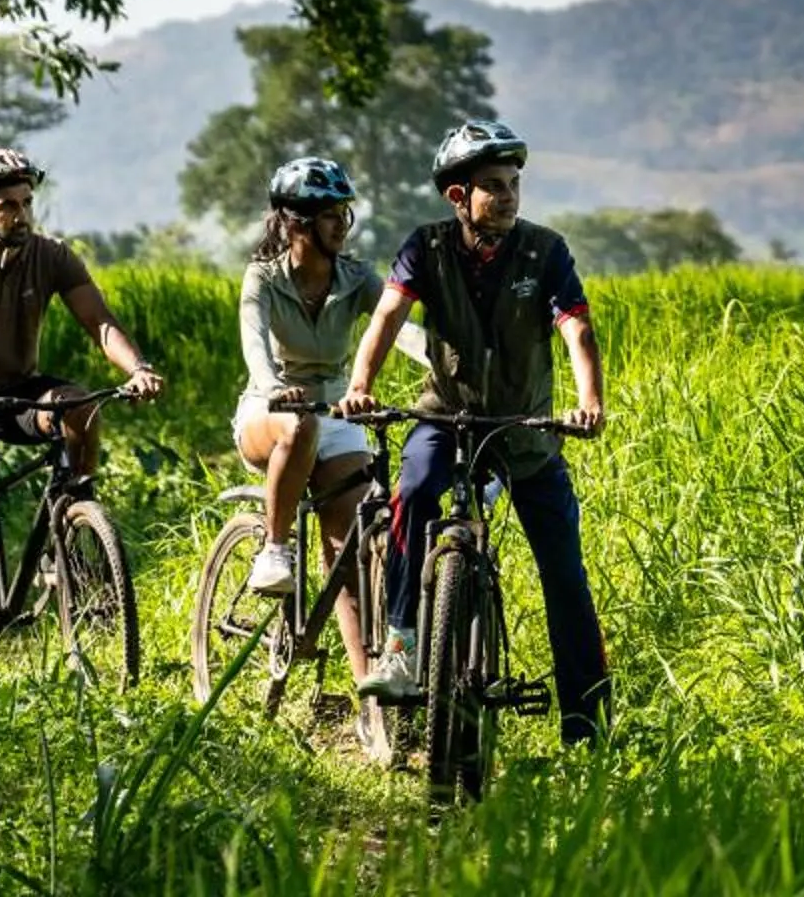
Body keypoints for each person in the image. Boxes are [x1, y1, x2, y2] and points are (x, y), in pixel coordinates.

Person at [335, 119, 609, 740]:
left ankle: (587, 725)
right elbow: (386, 317)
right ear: (457, 196)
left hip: (525, 428)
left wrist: (588, 401)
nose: (508, 195)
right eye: (493, 185)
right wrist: (360, 388)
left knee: (564, 572)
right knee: (414, 491)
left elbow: (576, 329)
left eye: (513, 183)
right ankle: (402, 645)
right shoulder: (425, 248)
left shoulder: (546, 251)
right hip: (446, 414)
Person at [0, 147, 164, 624]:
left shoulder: (51, 256)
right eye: (8, 205)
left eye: (27, 203)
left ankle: (71, 525)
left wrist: (138, 369)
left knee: (80, 406)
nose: (22, 215)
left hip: (16, 389)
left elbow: (100, 323)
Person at [233, 157, 385, 659]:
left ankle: (371, 695)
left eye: (344, 212)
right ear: (295, 222)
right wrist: (273, 385)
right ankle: (274, 548)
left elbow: (394, 325)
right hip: (270, 408)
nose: (341, 223)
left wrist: (449, 365)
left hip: (334, 409)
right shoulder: (263, 277)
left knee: (351, 548)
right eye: (328, 215)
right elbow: (254, 341)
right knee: (298, 428)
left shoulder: (357, 277)